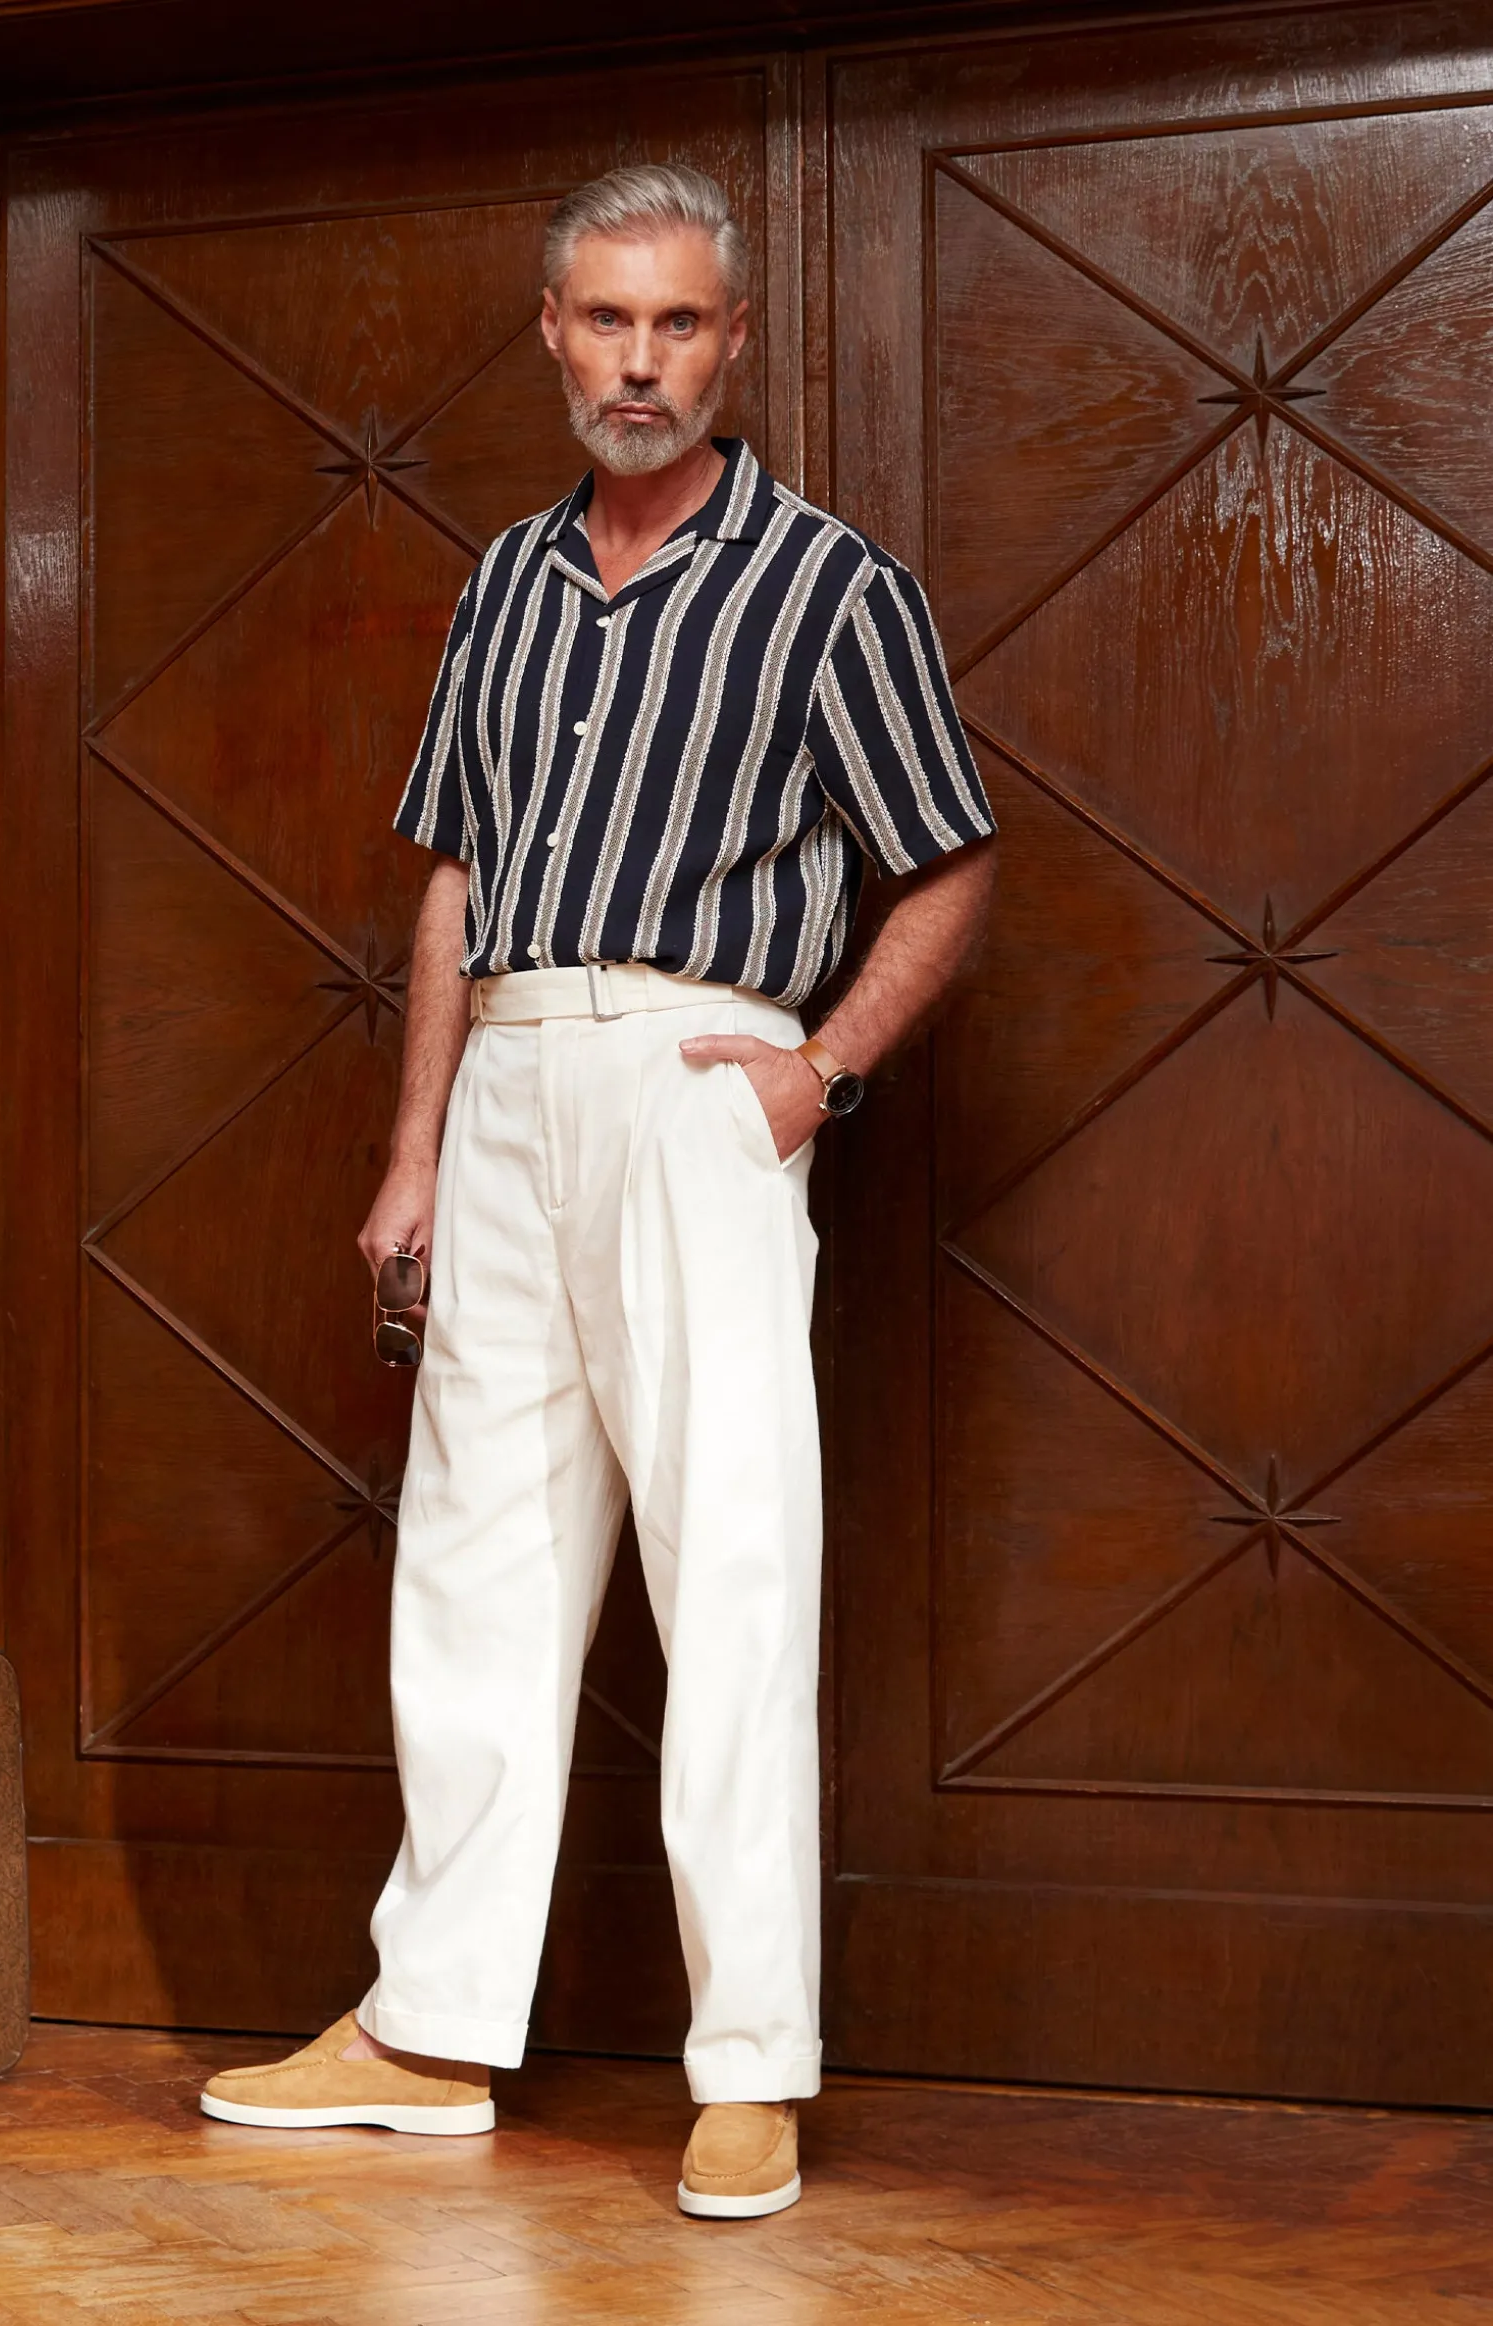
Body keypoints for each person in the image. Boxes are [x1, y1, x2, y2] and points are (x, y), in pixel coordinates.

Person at [201, 163, 997, 2220]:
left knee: (731, 1563)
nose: (641, 361)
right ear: (552, 331)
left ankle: (751, 2066)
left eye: (680, 323)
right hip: (504, 1085)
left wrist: (818, 1071)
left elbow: (948, 860)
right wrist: (414, 1150)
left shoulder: (830, 586)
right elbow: (457, 876)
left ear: (731, 342)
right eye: (608, 320)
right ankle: (429, 2027)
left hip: (694, 1075)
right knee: (474, 1559)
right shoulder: (505, 580)